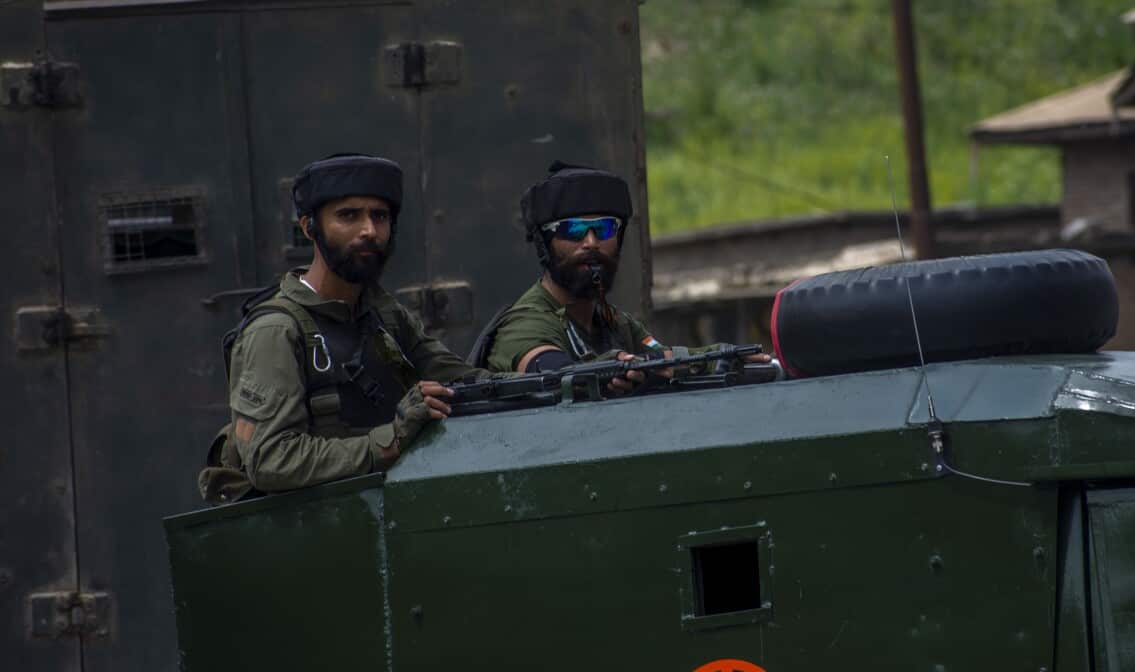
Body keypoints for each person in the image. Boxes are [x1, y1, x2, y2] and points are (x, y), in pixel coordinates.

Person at [202, 153, 491, 502]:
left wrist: (554, 380)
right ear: (310, 228)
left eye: (379, 216)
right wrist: (389, 440)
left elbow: (462, 380)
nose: (369, 231)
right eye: (348, 216)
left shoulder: (382, 312)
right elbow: (271, 459)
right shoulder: (277, 330)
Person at [476, 161, 770, 376]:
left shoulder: (614, 322)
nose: (591, 243)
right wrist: (614, 369)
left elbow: (663, 359)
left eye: (604, 229)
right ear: (546, 243)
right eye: (574, 230)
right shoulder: (526, 323)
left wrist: (721, 357)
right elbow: (552, 372)